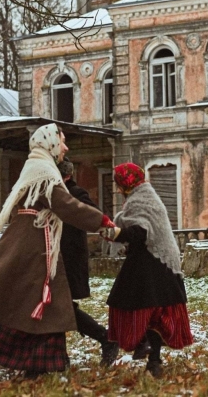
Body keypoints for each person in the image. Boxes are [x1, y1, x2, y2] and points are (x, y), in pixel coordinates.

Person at [0, 123, 114, 381]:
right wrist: (103, 222)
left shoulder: (36, 165)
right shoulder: (44, 170)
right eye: (62, 141)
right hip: (32, 247)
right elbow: (66, 204)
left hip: (29, 242)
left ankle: (35, 364)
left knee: (37, 306)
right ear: (50, 142)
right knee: (21, 305)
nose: (66, 147)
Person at [100, 162, 193, 378]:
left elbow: (140, 232)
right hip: (151, 259)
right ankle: (151, 356)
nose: (117, 188)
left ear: (126, 182)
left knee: (139, 306)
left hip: (155, 261)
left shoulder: (142, 199)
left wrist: (114, 233)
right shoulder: (142, 196)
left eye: (118, 184)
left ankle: (147, 349)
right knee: (152, 311)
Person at [57, 157, 119, 366]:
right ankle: (59, 356)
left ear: (65, 175)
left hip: (69, 260)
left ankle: (106, 338)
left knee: (61, 306)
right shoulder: (55, 194)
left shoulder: (75, 193)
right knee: (57, 307)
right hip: (56, 259)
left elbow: (93, 216)